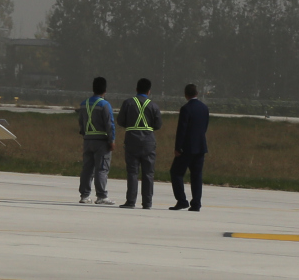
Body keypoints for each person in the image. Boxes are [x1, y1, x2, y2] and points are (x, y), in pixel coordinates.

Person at [117, 77, 162, 209]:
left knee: (132, 172)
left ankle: (131, 201)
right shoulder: (153, 105)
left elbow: (120, 121)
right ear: (149, 91)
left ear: (136, 90)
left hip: (132, 139)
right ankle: (147, 203)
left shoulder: (128, 103)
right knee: (148, 173)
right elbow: (158, 124)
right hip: (148, 141)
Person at [168, 83, 208, 211]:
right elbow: (204, 127)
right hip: (200, 146)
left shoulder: (186, 109)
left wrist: (178, 147)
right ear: (197, 93)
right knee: (196, 175)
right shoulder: (204, 108)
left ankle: (182, 200)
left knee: (176, 172)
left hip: (187, 148)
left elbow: (182, 130)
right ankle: (196, 203)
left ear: (186, 94)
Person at [76, 76, 115, 204]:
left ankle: (84, 195)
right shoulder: (105, 105)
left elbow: (81, 122)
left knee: (87, 168)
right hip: (101, 141)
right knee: (101, 168)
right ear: (105, 90)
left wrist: (85, 134)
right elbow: (110, 124)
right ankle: (102, 196)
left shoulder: (84, 104)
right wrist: (111, 140)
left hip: (88, 140)